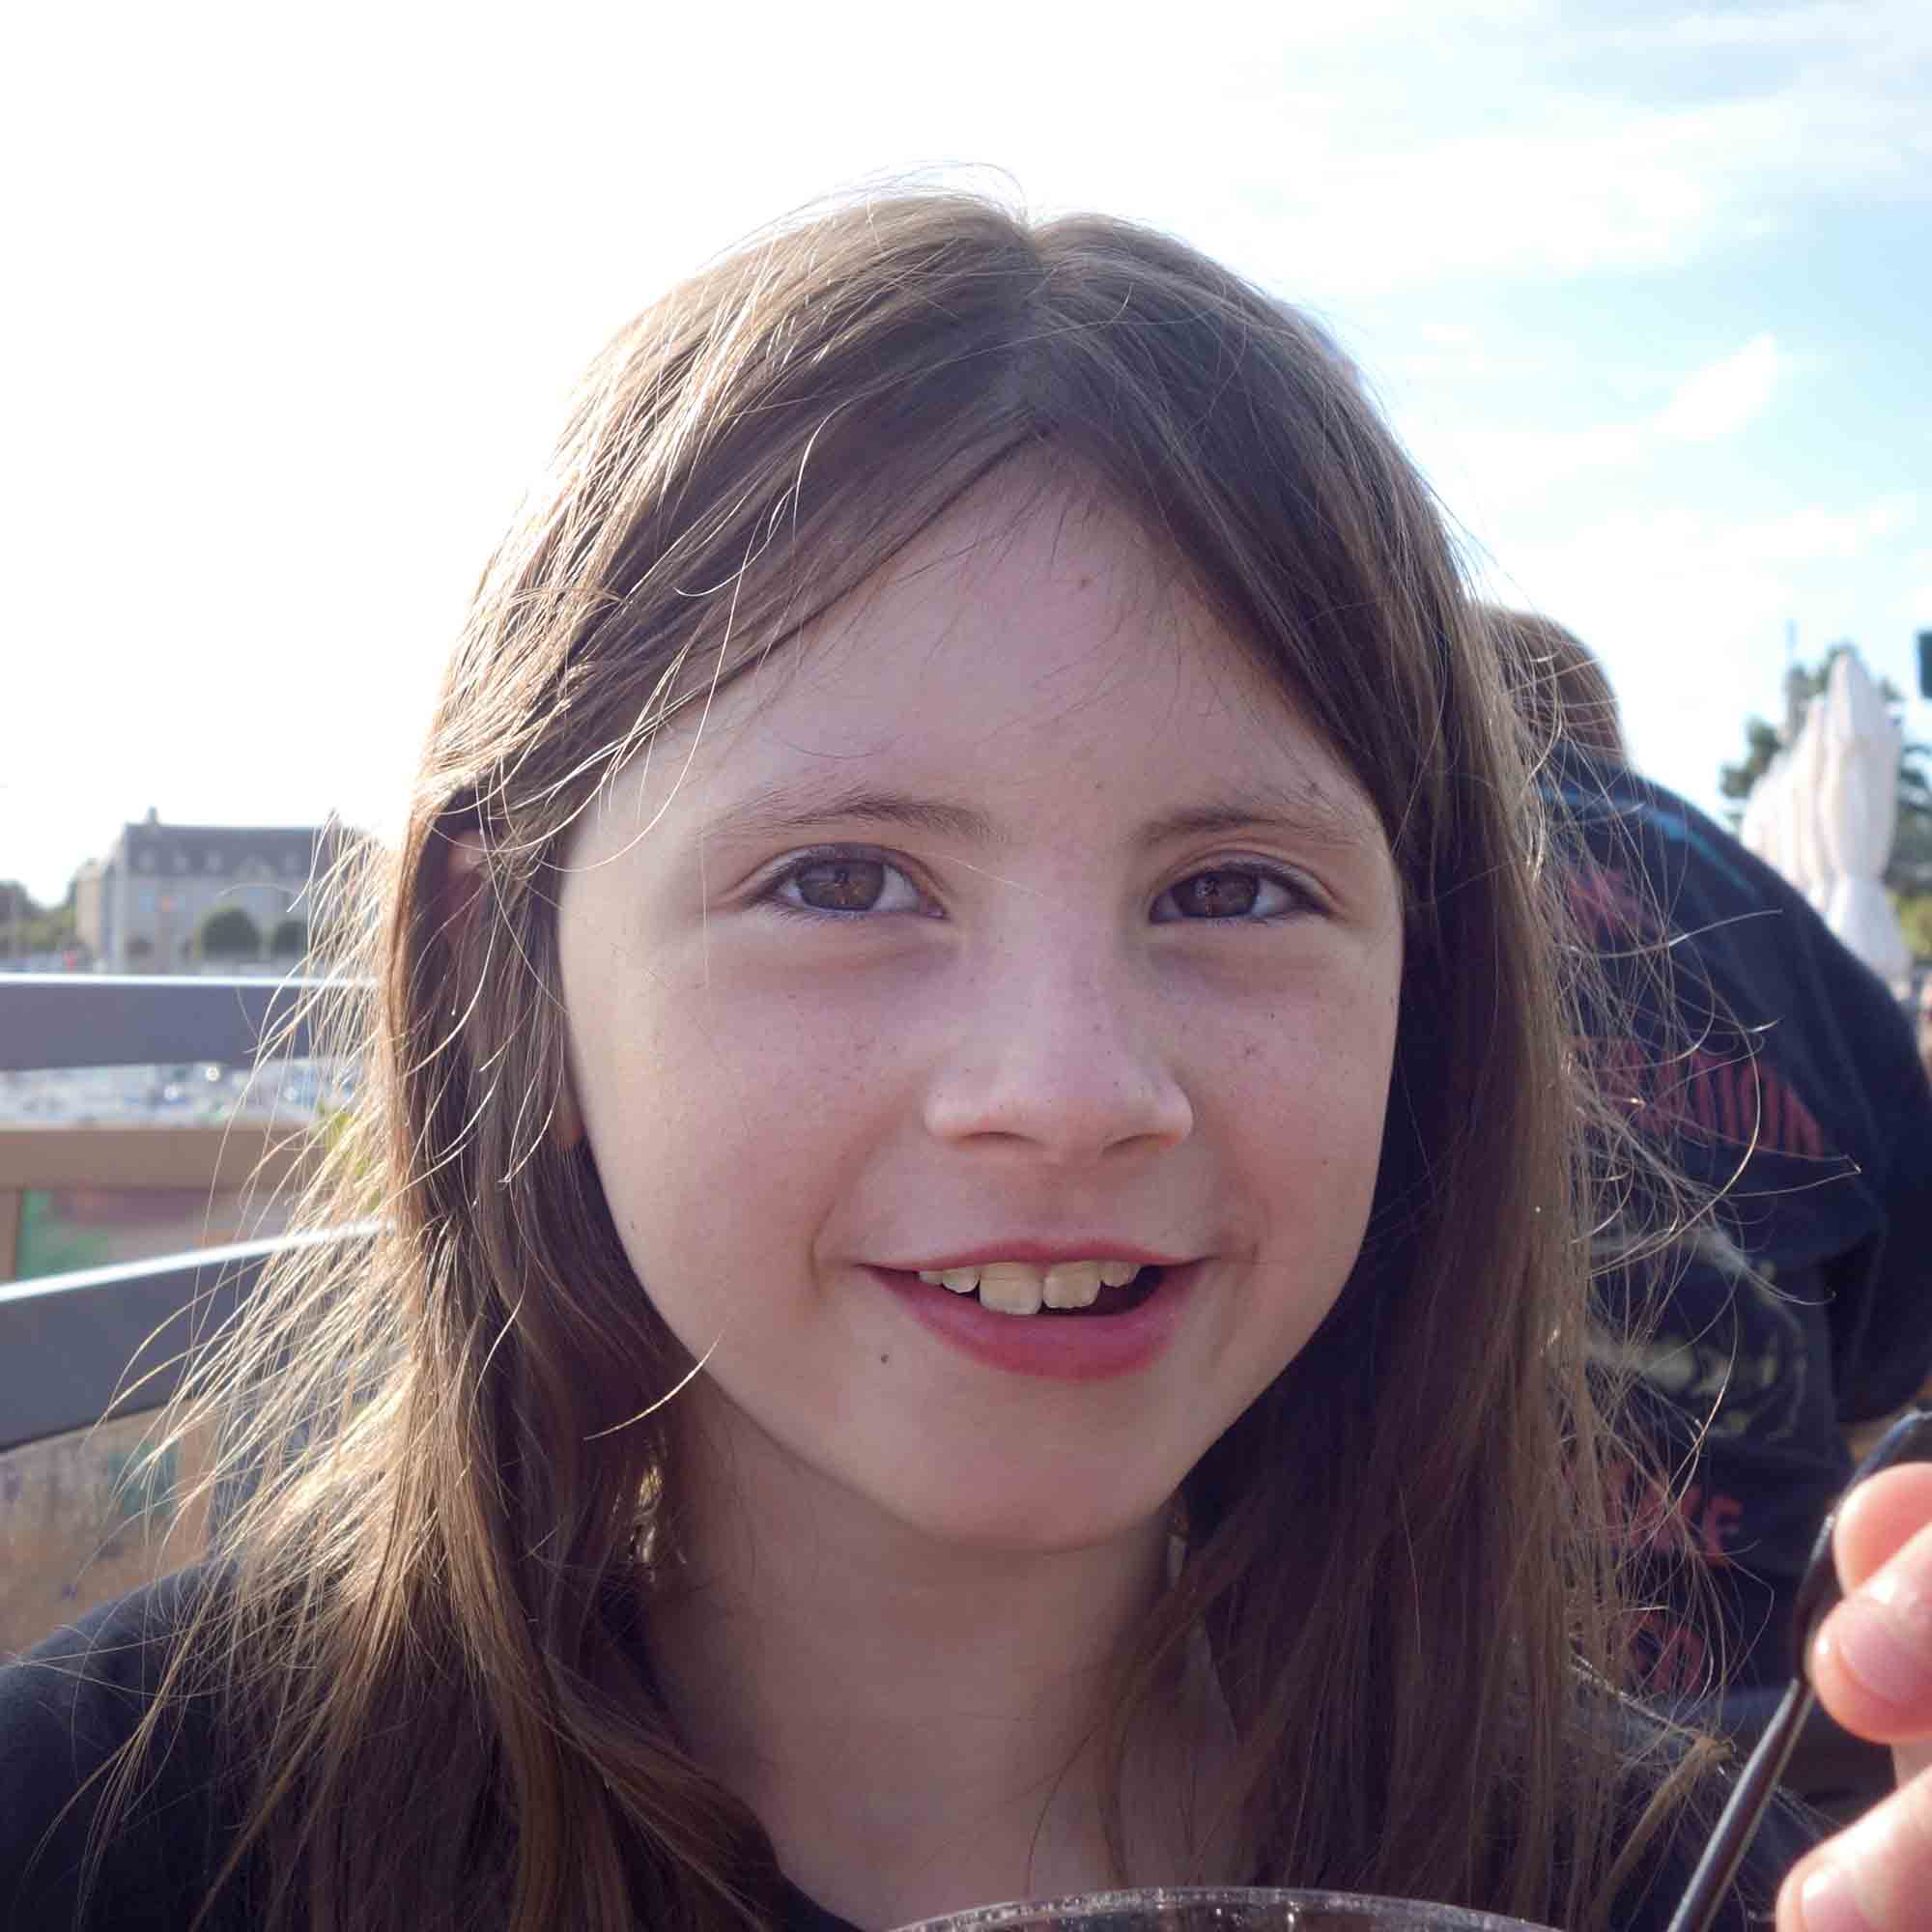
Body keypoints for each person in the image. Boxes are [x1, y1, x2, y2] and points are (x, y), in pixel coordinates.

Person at [4, 194, 1931, 1932]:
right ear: (503, 981)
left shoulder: (1685, 1885)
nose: (1071, 1088)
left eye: (1235, 889)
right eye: (842, 879)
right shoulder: (96, 1838)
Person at [1487, 610, 1932, 1721]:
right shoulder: (1768, 911)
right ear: (1603, 729)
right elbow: (1889, 1354)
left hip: (1398, 1680)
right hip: (1768, 1695)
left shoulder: (1355, 869)